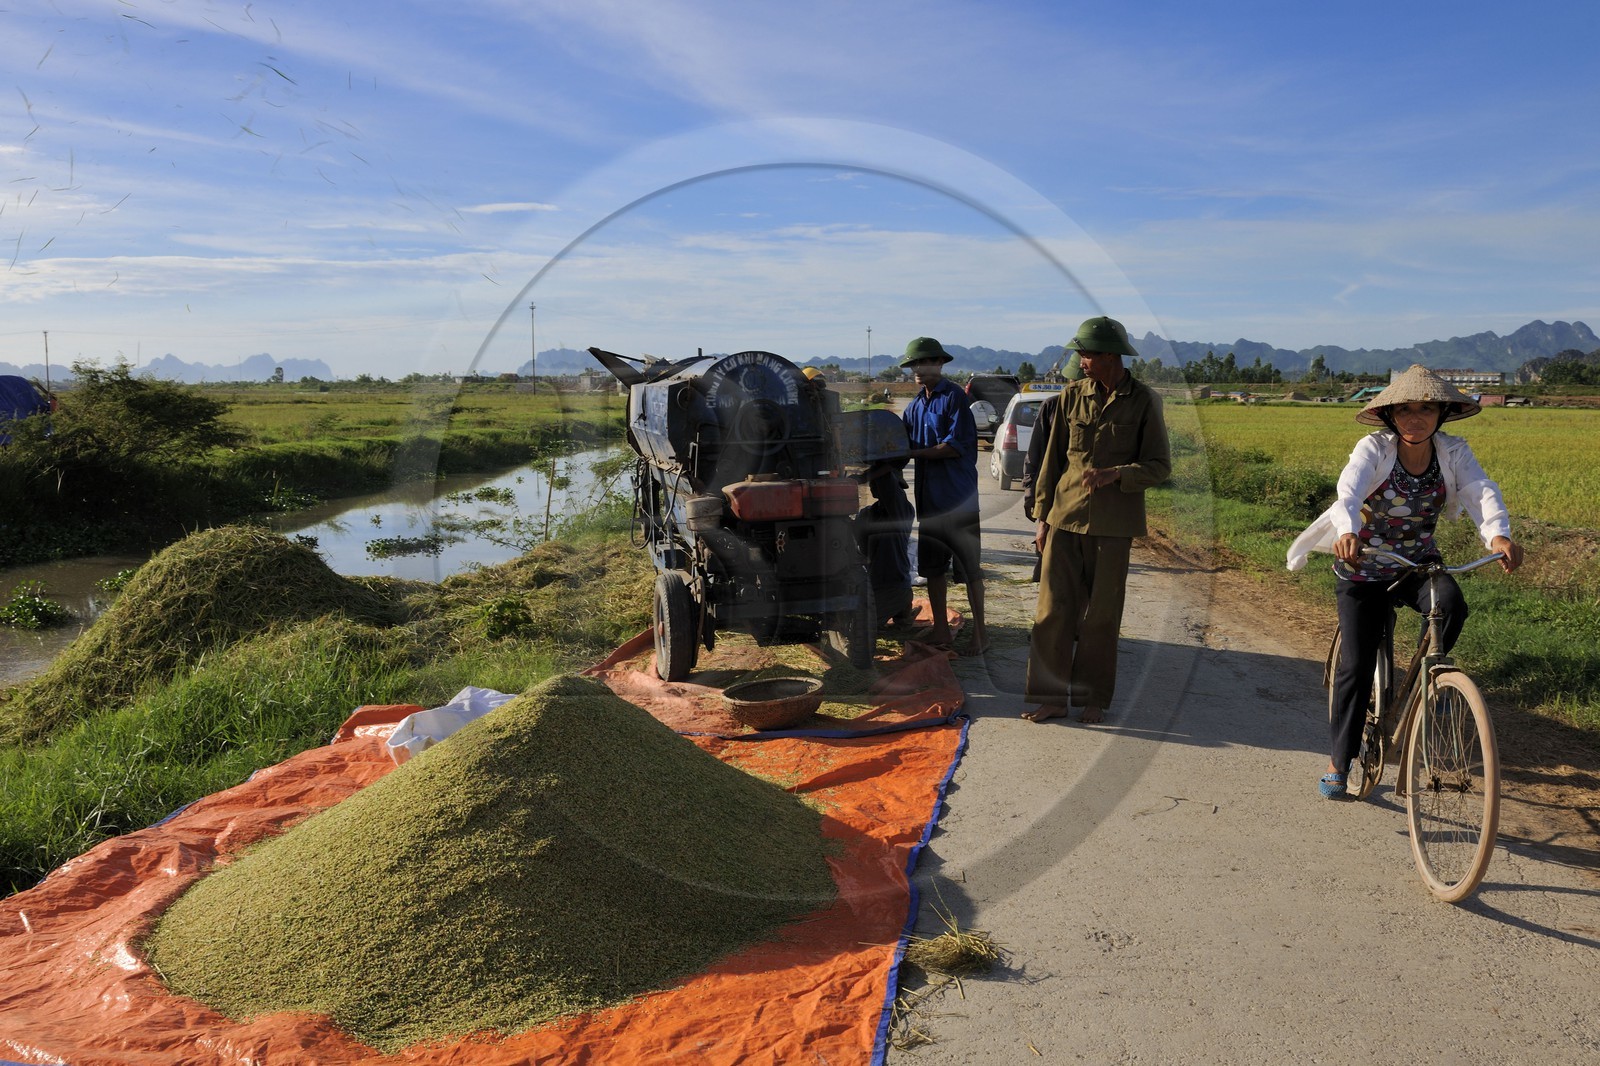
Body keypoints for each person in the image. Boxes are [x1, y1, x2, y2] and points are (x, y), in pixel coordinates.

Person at [1287, 364, 1523, 799]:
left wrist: (1499, 535)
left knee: (1452, 605)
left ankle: (1428, 683)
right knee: (1357, 664)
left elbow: (1479, 490)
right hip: (1363, 565)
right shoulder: (1374, 448)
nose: (1416, 417)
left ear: (1440, 414)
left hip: (1415, 566)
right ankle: (1339, 760)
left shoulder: (1453, 452)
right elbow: (1349, 492)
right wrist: (1346, 533)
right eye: (1406, 409)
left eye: (1426, 409)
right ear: (1391, 416)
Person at [1023, 316, 1170, 723]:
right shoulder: (1071, 396)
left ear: (1110, 356)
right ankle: (1050, 698)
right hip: (1064, 518)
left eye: (1086, 354)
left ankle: (1092, 700)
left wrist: (1118, 474)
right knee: (1052, 613)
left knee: (1101, 618)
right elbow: (1052, 461)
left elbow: (1159, 466)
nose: (1080, 361)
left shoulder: (1144, 401)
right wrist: (1042, 518)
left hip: (1114, 526)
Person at [899, 336, 988, 654]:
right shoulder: (913, 407)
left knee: (970, 571)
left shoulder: (954, 399)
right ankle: (940, 629)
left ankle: (981, 634)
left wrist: (912, 451)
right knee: (933, 570)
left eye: (924, 363)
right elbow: (899, 446)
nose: (918, 370)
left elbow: (953, 447)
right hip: (931, 504)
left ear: (939, 364)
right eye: (913, 365)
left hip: (959, 501)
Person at [854, 460, 915, 629]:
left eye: (876, 481)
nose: (873, 485)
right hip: (875, 584)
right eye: (872, 483)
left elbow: (887, 477)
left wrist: (862, 477)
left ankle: (902, 608)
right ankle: (902, 612)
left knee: (859, 628)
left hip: (893, 587)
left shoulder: (902, 509)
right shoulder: (868, 513)